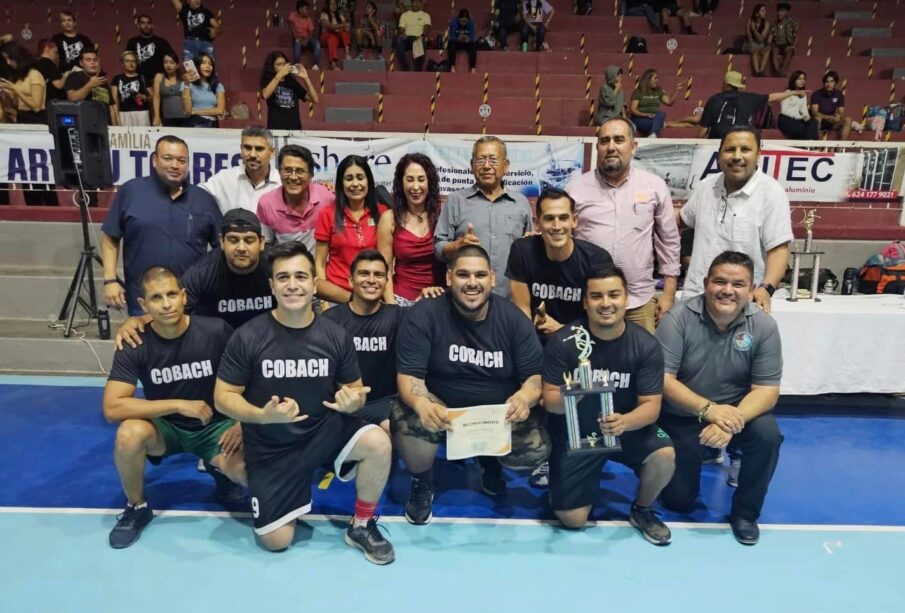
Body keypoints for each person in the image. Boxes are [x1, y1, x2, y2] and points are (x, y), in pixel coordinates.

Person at [214, 241, 395, 564]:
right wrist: (260, 416)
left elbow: (355, 390)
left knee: (378, 441)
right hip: (272, 446)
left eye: (301, 276)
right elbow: (223, 398)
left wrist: (352, 403)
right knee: (277, 541)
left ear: (314, 283)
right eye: (283, 278)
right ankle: (231, 468)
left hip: (322, 432)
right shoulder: (248, 336)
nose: (293, 285)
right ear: (271, 285)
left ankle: (362, 524)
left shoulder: (335, 335)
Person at [393, 245, 550, 521]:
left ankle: (490, 462)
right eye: (463, 275)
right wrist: (420, 403)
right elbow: (409, 378)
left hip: (496, 416)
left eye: (480, 275)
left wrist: (524, 398)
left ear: (492, 278)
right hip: (443, 410)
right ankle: (422, 483)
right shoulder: (424, 314)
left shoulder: (514, 320)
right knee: (405, 416)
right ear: (449, 277)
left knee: (536, 448)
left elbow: (534, 379)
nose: (472, 283)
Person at [103, 266, 246, 549]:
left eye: (171, 294)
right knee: (128, 433)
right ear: (143, 305)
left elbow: (249, 381)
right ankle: (137, 507)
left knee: (248, 473)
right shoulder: (134, 341)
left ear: (183, 296)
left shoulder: (216, 330)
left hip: (216, 427)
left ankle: (223, 475)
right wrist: (178, 405)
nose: (166, 304)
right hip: (166, 428)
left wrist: (243, 424)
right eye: (156, 298)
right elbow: (112, 407)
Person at [656, 251, 783, 545]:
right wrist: (709, 411)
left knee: (768, 435)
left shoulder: (764, 327)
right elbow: (663, 381)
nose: (728, 290)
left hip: (737, 414)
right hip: (684, 415)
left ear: (751, 290)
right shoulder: (677, 319)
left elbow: (766, 390)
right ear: (705, 283)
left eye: (738, 284)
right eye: (720, 282)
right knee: (679, 502)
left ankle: (746, 514)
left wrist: (727, 422)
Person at [542, 265, 675, 544]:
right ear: (585, 301)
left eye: (613, 295)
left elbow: (651, 407)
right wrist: (576, 392)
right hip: (577, 434)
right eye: (596, 296)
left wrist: (625, 422)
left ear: (626, 298)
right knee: (573, 520)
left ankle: (642, 509)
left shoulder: (646, 346)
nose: (606, 303)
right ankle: (564, 479)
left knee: (664, 456)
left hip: (626, 428)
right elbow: (550, 402)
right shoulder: (564, 342)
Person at [565, 117, 680, 334]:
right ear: (597, 146)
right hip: (590, 301)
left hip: (639, 302)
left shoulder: (654, 186)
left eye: (619, 140)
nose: (611, 147)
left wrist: (668, 294)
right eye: (605, 140)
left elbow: (669, 240)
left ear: (633, 146)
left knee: (640, 362)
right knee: (585, 363)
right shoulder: (575, 189)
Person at [115, 210, 275, 349]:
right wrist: (139, 320)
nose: (241, 248)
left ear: (261, 242)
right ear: (221, 242)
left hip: (266, 343)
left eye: (249, 240)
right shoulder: (203, 271)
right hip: (217, 345)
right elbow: (174, 306)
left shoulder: (277, 267)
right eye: (233, 240)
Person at [102, 135, 222, 316]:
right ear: (154, 160)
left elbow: (221, 247)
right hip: (145, 303)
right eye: (168, 158)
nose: (175, 165)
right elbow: (110, 237)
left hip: (192, 303)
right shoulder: (132, 192)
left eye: (181, 160)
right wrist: (110, 280)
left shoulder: (203, 200)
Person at [677, 126, 792, 314]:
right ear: (719, 154)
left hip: (739, 303)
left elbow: (778, 250)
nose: (737, 156)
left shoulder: (771, 194)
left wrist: (766, 288)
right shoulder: (706, 187)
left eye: (745, 149)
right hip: (695, 298)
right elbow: (681, 219)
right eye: (730, 149)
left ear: (758, 154)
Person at [507, 187, 614, 338]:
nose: (557, 227)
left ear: (574, 221)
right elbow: (522, 310)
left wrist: (562, 330)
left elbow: (602, 321)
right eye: (549, 218)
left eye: (563, 218)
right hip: (535, 339)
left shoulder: (597, 260)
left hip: (582, 341)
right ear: (537, 223)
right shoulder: (522, 251)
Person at [435, 136, 533, 299]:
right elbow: (438, 247)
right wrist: (457, 246)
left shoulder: (521, 203)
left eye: (493, 160)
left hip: (510, 299)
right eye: (480, 160)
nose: (487, 166)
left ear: (505, 166)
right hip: (466, 297)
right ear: (472, 166)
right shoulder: (456, 200)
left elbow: (529, 253)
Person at [323, 250, 405, 431]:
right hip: (343, 405)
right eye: (364, 273)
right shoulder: (330, 320)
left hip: (385, 404)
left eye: (379, 275)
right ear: (350, 280)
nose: (371, 280)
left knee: (393, 428)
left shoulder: (399, 317)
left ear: (386, 282)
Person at [315, 155, 388, 304]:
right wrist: (324, 300)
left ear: (368, 180)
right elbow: (320, 263)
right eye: (349, 178)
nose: (355, 184)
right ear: (341, 183)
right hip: (337, 297)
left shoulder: (382, 213)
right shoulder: (328, 214)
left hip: (373, 296)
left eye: (360, 177)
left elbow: (387, 260)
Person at [377, 153, 445, 306]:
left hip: (439, 299)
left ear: (430, 182)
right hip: (401, 299)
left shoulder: (443, 214)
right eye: (409, 179)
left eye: (421, 179)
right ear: (401, 183)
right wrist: (391, 306)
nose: (415, 187)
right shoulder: (389, 219)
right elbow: (384, 269)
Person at [257, 144, 336, 250]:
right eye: (288, 170)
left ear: (311, 175)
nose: (293, 177)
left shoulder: (327, 198)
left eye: (300, 171)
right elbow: (265, 246)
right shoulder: (267, 204)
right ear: (279, 172)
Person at [698, 70, 806, 139]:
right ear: (739, 85)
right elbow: (773, 97)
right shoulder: (749, 98)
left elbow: (702, 132)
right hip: (740, 142)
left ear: (725, 84)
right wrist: (794, 92)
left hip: (717, 145)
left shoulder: (714, 100)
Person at [200, 126, 281, 215]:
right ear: (241, 149)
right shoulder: (224, 178)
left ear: (272, 152)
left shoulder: (281, 183)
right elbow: (195, 195)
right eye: (247, 148)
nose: (252, 154)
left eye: (259, 149)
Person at [260, 51, 318, 131]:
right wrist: (280, 75)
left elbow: (315, 99)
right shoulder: (268, 80)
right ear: (272, 67)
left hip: (294, 130)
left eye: (284, 64)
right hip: (276, 130)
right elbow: (265, 95)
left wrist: (306, 78)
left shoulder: (291, 82)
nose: (282, 66)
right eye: (279, 64)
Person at [64, 49, 115, 125]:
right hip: (84, 126)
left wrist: (115, 127)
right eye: (88, 60)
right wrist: (90, 85)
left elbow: (110, 107)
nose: (93, 62)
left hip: (104, 126)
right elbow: (72, 98)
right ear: (81, 63)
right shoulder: (75, 76)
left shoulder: (103, 81)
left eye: (95, 60)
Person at [0, 42, 45, 125]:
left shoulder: (34, 75)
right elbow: (18, 104)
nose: (8, 63)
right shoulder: (18, 77)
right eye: (6, 59)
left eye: (9, 59)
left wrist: (15, 89)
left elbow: (36, 107)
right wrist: (9, 96)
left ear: (17, 57)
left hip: (36, 120)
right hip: (22, 116)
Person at [629, 69, 683, 137]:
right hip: (639, 119)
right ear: (648, 79)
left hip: (653, 119)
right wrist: (646, 115)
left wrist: (677, 90)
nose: (658, 80)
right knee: (658, 123)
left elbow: (669, 102)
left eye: (658, 78)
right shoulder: (639, 92)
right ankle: (654, 133)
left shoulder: (658, 90)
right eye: (655, 78)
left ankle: (652, 135)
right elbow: (633, 109)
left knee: (661, 114)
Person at [127, 14, 177, 86]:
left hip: (159, 80)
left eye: (148, 23)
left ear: (152, 25)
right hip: (139, 81)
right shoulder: (132, 42)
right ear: (138, 26)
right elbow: (127, 61)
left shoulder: (161, 42)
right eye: (143, 23)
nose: (146, 25)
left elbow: (173, 59)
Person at [181, 52, 225, 127]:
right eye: (204, 63)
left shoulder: (218, 86)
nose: (208, 66)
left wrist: (195, 111)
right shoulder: (186, 85)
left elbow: (220, 110)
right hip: (196, 122)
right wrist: (187, 84)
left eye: (210, 64)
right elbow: (187, 111)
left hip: (213, 124)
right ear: (197, 66)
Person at [810, 70, 854, 140]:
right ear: (824, 83)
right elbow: (814, 113)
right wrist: (828, 117)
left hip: (833, 123)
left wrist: (837, 117)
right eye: (827, 82)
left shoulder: (839, 94)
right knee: (817, 119)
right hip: (821, 121)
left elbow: (841, 112)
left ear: (835, 83)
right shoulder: (816, 94)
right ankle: (815, 146)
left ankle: (840, 147)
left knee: (848, 120)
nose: (829, 84)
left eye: (831, 81)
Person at [111, 51, 151, 127]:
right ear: (122, 63)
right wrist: (117, 118)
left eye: (133, 61)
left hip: (142, 113)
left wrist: (144, 97)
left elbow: (152, 97)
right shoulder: (117, 79)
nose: (131, 63)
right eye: (127, 61)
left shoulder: (143, 78)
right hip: (123, 114)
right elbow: (114, 101)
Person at [778, 70, 818, 139]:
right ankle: (812, 147)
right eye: (799, 79)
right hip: (786, 120)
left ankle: (811, 146)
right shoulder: (787, 92)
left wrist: (806, 116)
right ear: (794, 80)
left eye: (804, 79)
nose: (802, 81)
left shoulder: (803, 94)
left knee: (814, 122)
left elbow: (804, 110)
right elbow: (784, 111)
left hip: (798, 120)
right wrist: (800, 117)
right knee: (806, 130)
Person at [152, 52, 188, 127]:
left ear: (177, 65)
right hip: (167, 117)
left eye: (172, 62)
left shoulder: (183, 77)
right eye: (165, 62)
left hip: (185, 117)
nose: (168, 65)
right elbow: (156, 97)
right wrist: (156, 116)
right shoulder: (159, 77)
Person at [395, 0, 431, 72]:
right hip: (407, 38)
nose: (416, 4)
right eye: (415, 1)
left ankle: (417, 70)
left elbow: (426, 28)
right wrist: (402, 33)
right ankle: (405, 65)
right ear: (411, 3)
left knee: (419, 43)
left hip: (418, 37)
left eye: (418, 2)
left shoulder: (425, 15)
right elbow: (401, 28)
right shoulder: (405, 15)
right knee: (398, 40)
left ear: (421, 3)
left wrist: (422, 36)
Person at [34, 39, 69, 106]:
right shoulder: (48, 63)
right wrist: (66, 75)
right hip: (53, 102)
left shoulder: (35, 63)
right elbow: (58, 85)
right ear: (47, 49)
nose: (56, 56)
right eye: (55, 52)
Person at [288, 1, 322, 69]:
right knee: (297, 42)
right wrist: (299, 39)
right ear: (300, 10)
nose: (308, 11)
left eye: (308, 9)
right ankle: (296, 64)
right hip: (297, 37)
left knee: (317, 43)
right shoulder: (293, 15)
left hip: (307, 39)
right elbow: (292, 27)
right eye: (306, 9)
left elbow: (311, 31)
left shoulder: (308, 19)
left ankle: (315, 65)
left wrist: (306, 40)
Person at [320, 0, 353, 70]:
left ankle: (347, 53)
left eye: (335, 4)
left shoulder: (339, 15)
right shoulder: (324, 14)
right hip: (326, 36)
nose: (333, 6)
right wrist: (342, 25)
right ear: (328, 5)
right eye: (331, 4)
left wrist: (346, 27)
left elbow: (346, 27)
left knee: (344, 32)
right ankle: (333, 64)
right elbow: (329, 26)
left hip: (337, 36)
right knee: (332, 38)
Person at [769, 2, 797, 77]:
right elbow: (771, 37)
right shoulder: (774, 24)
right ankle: (778, 71)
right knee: (774, 50)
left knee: (789, 51)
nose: (779, 13)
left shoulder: (792, 22)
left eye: (782, 11)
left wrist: (794, 46)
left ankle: (781, 71)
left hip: (787, 44)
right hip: (777, 45)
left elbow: (796, 35)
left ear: (786, 12)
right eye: (778, 11)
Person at [746, 4, 770, 78]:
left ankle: (761, 71)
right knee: (755, 50)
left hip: (761, 44)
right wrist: (752, 45)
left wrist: (754, 30)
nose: (765, 12)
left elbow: (761, 39)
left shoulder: (766, 23)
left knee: (767, 50)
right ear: (756, 13)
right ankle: (757, 72)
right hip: (749, 43)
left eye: (765, 11)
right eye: (762, 11)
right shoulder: (749, 21)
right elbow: (748, 35)